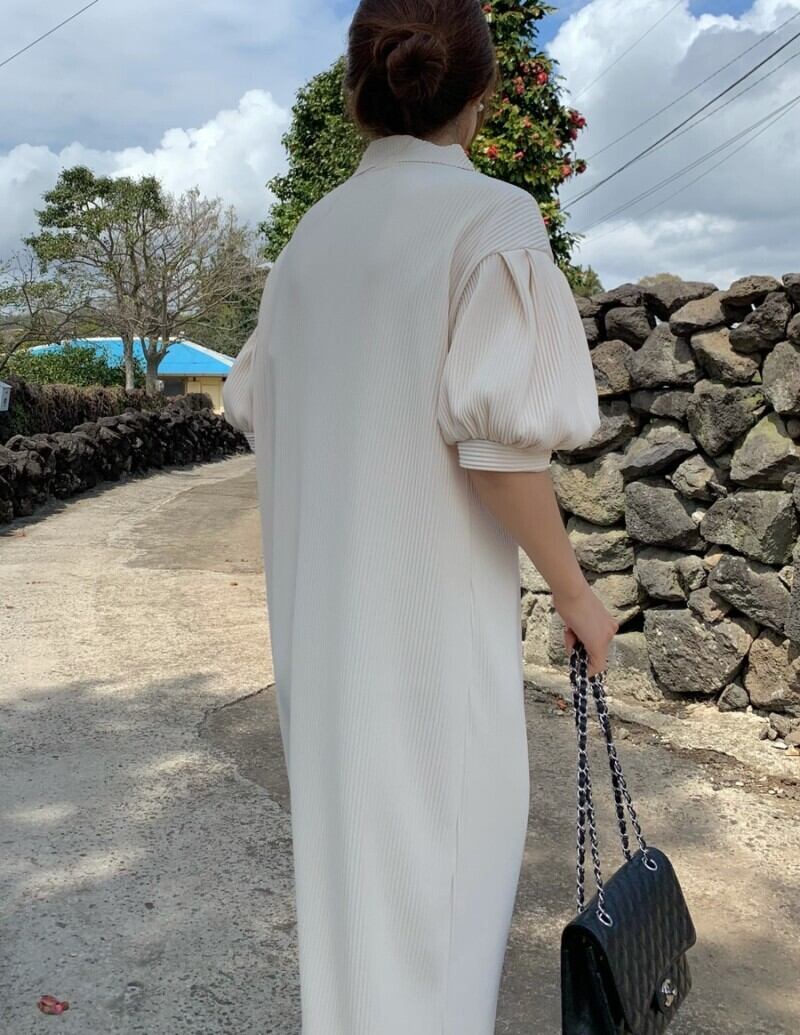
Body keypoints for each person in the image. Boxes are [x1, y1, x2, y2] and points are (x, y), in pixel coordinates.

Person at [222, 0, 618, 1031]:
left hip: (323, 664)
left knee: (356, 935)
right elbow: (499, 454)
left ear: (359, 91)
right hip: (432, 655)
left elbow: (259, 404)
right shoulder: (491, 219)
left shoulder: (310, 240)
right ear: (480, 94)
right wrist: (576, 596)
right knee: (439, 938)